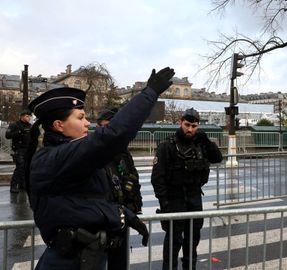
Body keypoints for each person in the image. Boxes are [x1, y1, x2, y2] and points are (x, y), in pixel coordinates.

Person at [25, 67, 175, 270]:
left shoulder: (66, 154)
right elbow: (111, 137)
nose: (87, 123)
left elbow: (82, 202)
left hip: (87, 257)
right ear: (59, 125)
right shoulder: (55, 158)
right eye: (80, 118)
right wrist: (149, 94)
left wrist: (122, 214)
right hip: (70, 262)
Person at [151, 108, 223, 270]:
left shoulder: (200, 143)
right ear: (180, 122)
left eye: (194, 126)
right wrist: (165, 205)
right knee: (173, 243)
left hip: (194, 198)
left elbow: (217, 158)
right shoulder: (167, 146)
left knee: (192, 241)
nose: (190, 129)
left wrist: (206, 141)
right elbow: (157, 179)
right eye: (187, 125)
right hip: (174, 199)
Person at [96, 107, 143, 270]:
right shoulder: (93, 153)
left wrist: (134, 208)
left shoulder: (123, 153)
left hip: (121, 218)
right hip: (102, 222)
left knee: (119, 263)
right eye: (108, 127)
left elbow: (132, 179)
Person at [5, 109, 32, 193]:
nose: (29, 118)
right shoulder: (14, 125)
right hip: (18, 149)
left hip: (27, 149)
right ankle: (13, 186)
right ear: (22, 117)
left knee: (25, 167)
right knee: (19, 167)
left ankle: (22, 185)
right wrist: (19, 132)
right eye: (27, 116)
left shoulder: (29, 126)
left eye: (30, 116)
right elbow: (7, 135)